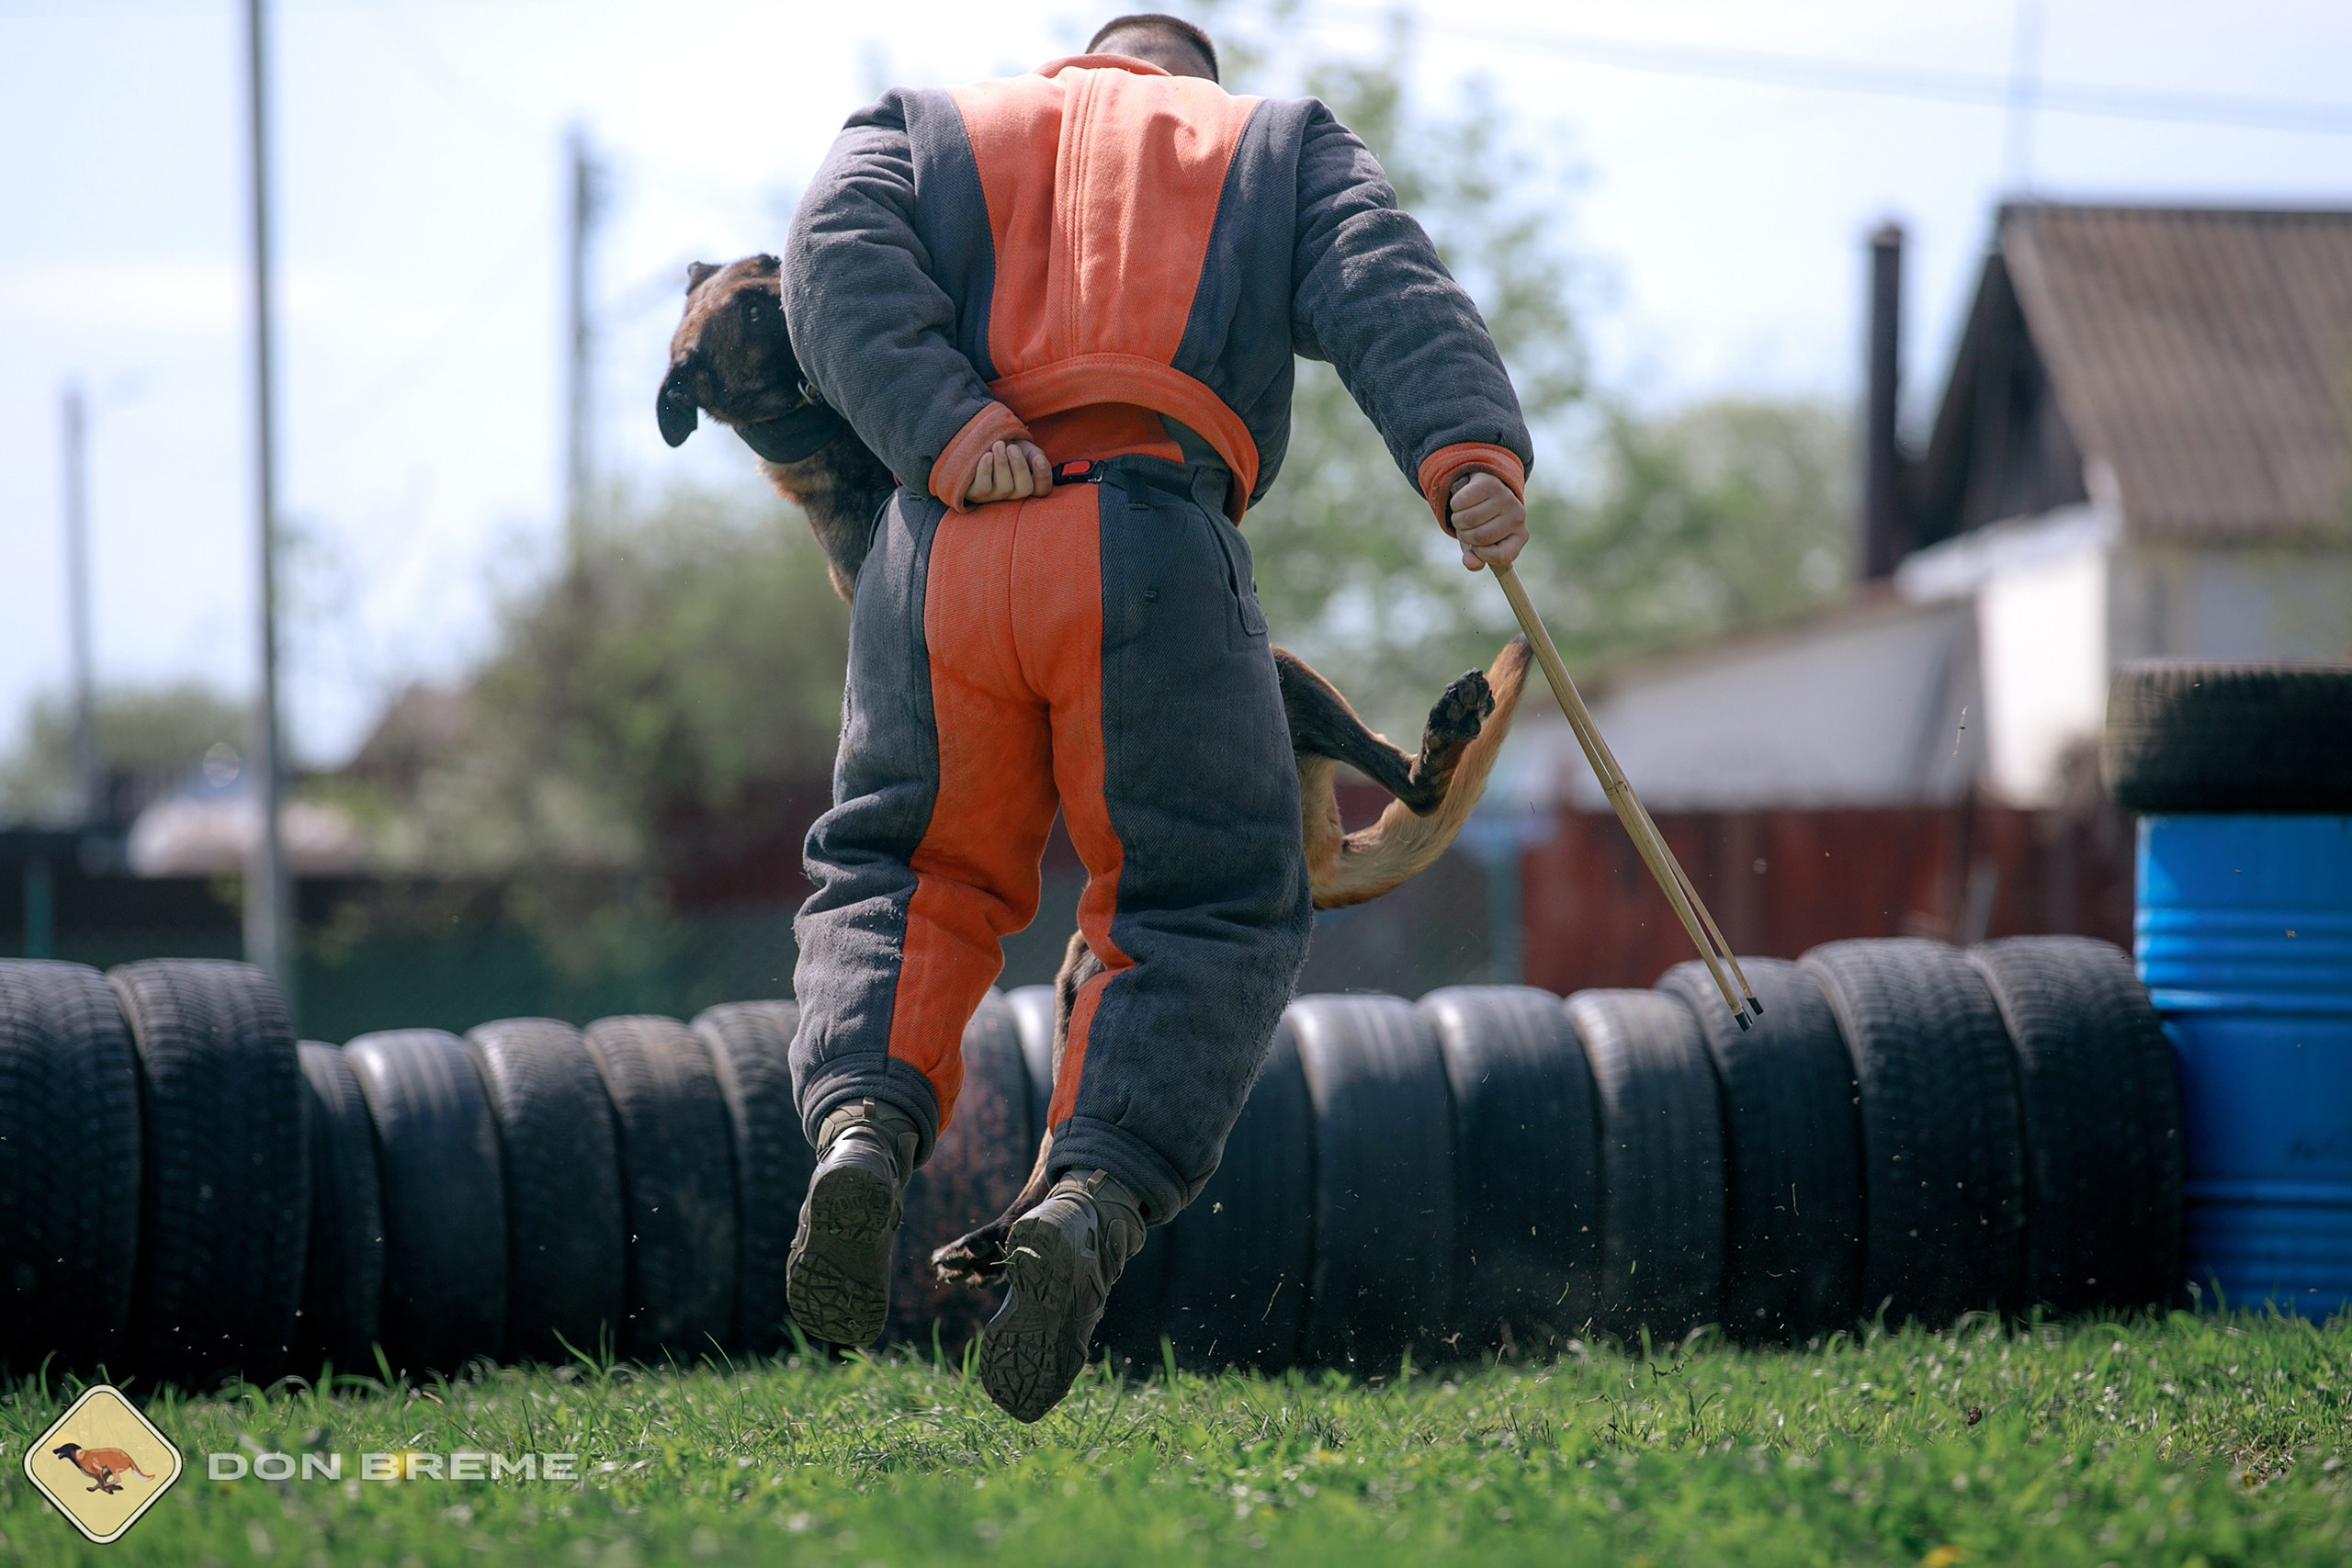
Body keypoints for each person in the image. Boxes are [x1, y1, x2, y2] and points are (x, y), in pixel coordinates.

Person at [780, 12, 1532, 1420]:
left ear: (1083, 64)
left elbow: (827, 262)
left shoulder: (925, 123)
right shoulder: (1272, 147)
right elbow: (1392, 289)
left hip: (940, 548)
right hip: (1148, 547)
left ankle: (865, 1131)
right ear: (1194, 80)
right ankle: (1086, 1205)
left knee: (905, 868)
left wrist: (946, 427)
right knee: (1200, 909)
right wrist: (1468, 451)